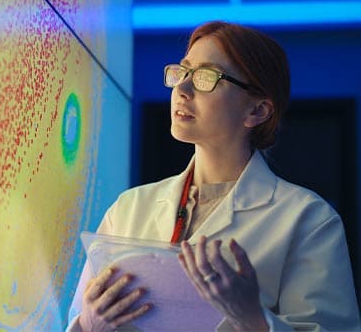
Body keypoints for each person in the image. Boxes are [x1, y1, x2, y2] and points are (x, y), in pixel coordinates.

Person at [67, 21, 360, 331]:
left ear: (257, 111)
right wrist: (88, 324)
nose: (181, 89)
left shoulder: (307, 219)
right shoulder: (129, 208)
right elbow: (76, 319)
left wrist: (252, 318)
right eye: (183, 72)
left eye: (207, 77)